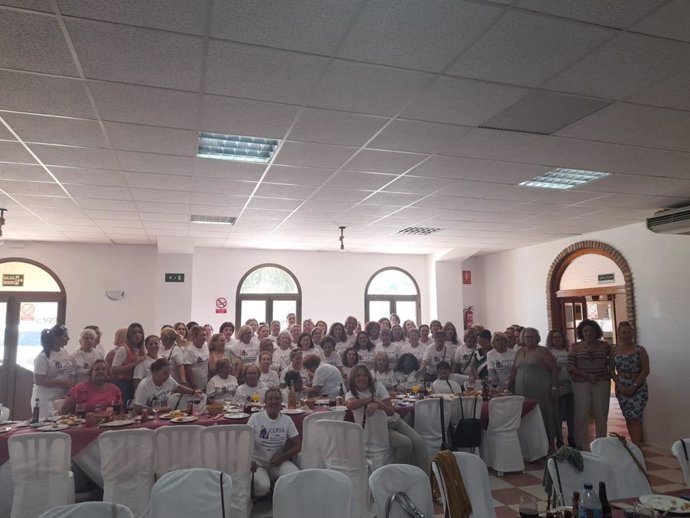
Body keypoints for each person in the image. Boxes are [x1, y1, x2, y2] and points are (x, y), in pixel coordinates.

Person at [345, 364, 429, 471]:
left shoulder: (378, 387)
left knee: (419, 441)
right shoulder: (351, 393)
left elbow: (391, 411)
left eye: (364, 375)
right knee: (405, 443)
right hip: (382, 428)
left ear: (369, 377)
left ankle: (426, 477)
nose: (362, 378)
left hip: (395, 420)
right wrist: (371, 400)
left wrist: (379, 405)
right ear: (353, 378)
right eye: (358, 376)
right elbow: (350, 405)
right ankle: (397, 476)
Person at [511, 327, 559, 453]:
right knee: (526, 417)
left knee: (545, 416)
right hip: (522, 391)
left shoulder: (543, 351)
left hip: (541, 390)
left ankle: (550, 447)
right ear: (523, 338)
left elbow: (554, 369)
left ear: (537, 338)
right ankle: (530, 448)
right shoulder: (519, 351)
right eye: (527, 337)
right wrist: (508, 386)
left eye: (532, 337)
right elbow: (514, 369)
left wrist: (554, 387)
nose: (529, 339)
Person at [568, 319, 614, 450]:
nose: (588, 333)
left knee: (601, 413)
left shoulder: (605, 346)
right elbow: (570, 366)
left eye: (591, 331)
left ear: (596, 332)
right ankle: (580, 444)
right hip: (581, 384)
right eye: (585, 331)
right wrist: (587, 376)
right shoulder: (575, 347)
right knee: (581, 413)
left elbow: (611, 364)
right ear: (582, 332)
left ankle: (601, 444)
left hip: (601, 383)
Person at [248, 387, 301, 499]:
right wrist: (248, 461)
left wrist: (282, 457)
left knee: (294, 475)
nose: (274, 401)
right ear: (265, 402)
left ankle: (281, 498)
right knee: (262, 486)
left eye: (277, 399)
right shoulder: (255, 418)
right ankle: (265, 492)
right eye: (270, 399)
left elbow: (298, 446)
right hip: (258, 465)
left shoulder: (287, 420)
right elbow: (244, 443)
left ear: (281, 401)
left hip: (278, 462)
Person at [611, 321, 649, 447]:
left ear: (632, 333)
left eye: (629, 332)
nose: (626, 334)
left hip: (638, 387)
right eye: (623, 332)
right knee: (628, 417)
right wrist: (620, 385)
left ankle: (637, 447)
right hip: (622, 386)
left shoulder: (640, 350)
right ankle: (634, 445)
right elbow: (611, 370)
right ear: (619, 334)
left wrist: (634, 386)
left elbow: (646, 370)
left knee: (635, 417)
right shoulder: (614, 350)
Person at [31, 324, 74, 419]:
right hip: (46, 398)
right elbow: (38, 380)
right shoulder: (43, 357)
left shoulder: (64, 352)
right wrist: (60, 382)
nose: (68, 338)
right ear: (56, 338)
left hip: (61, 396)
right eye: (65, 336)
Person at [133, 358, 200, 412]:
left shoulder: (168, 380)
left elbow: (177, 387)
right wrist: (161, 409)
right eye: (164, 373)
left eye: (169, 373)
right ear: (155, 372)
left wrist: (193, 392)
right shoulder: (144, 386)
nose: (167, 376)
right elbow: (138, 409)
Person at [546, 329, 575, 448]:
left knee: (571, 414)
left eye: (559, 337)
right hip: (557, 385)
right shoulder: (548, 352)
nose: (557, 340)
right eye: (555, 338)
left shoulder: (568, 351)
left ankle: (572, 437)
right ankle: (559, 438)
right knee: (557, 415)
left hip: (570, 385)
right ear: (551, 339)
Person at [109, 322, 145, 406]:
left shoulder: (141, 350)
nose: (137, 335)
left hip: (134, 383)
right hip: (122, 384)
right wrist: (134, 363)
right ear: (129, 335)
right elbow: (114, 369)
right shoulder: (123, 349)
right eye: (134, 333)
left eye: (140, 332)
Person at [184, 325, 210, 391]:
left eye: (205, 335)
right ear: (194, 336)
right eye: (201, 335)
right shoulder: (190, 349)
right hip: (193, 385)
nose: (204, 337)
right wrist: (193, 385)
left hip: (204, 382)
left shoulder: (206, 345)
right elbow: (188, 369)